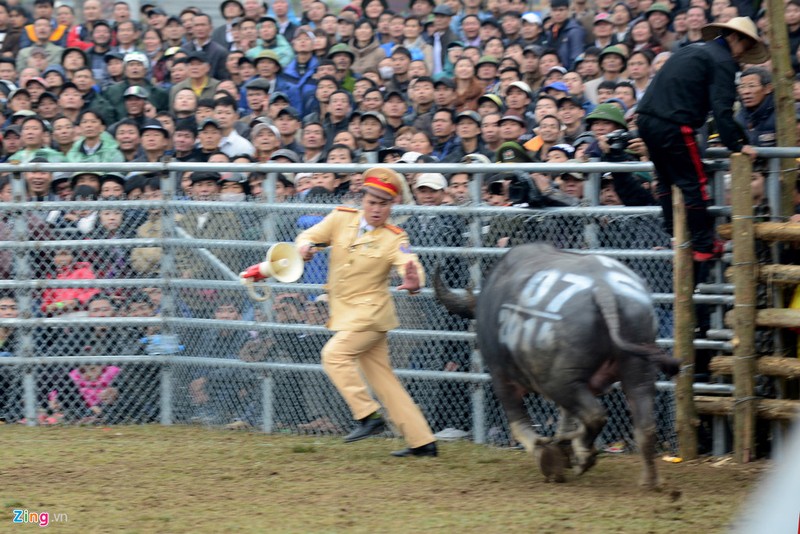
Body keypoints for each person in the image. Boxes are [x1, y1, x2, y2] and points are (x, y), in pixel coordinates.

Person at [291, 167, 437, 457]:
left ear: (392, 206)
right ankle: (422, 441)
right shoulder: (341, 218)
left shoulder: (395, 237)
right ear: (363, 199)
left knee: (333, 355)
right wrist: (305, 247)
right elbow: (310, 235)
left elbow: (409, 263)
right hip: (350, 314)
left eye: (384, 204)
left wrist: (414, 280)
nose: (377, 209)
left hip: (370, 317)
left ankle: (367, 416)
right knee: (384, 380)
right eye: (372, 202)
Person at [637, 17, 766, 262]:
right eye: (745, 48)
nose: (743, 55)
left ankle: (674, 231)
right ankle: (703, 245)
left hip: (647, 119)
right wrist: (737, 145)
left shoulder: (694, 49)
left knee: (666, 178)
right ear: (735, 38)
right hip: (675, 124)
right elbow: (722, 109)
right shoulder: (723, 61)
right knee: (694, 182)